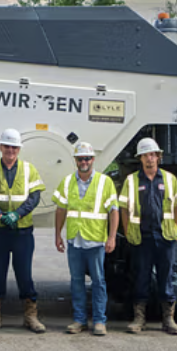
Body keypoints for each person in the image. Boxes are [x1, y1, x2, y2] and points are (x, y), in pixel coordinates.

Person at [0, 128, 47, 333]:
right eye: (7, 146)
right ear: (1, 147)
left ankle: (31, 316)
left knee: (24, 274)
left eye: (14, 147)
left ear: (19, 149)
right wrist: (0, 215)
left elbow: (34, 197)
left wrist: (17, 214)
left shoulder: (28, 169)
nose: (10, 150)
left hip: (22, 230)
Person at [118, 137, 177, 335]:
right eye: (146, 155)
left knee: (166, 277)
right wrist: (127, 228)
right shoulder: (131, 181)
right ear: (140, 158)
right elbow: (123, 208)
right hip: (141, 237)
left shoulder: (169, 179)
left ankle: (168, 320)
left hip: (165, 237)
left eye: (153, 155)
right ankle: (139, 319)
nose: (150, 159)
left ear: (158, 157)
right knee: (141, 277)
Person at [52, 142, 119, 336]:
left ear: (93, 160)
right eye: (80, 158)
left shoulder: (104, 182)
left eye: (87, 158)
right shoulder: (67, 182)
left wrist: (112, 237)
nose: (84, 162)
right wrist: (58, 234)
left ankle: (99, 321)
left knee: (98, 281)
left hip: (96, 240)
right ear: (75, 160)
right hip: (75, 240)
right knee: (76, 281)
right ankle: (79, 320)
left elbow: (113, 211)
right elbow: (61, 209)